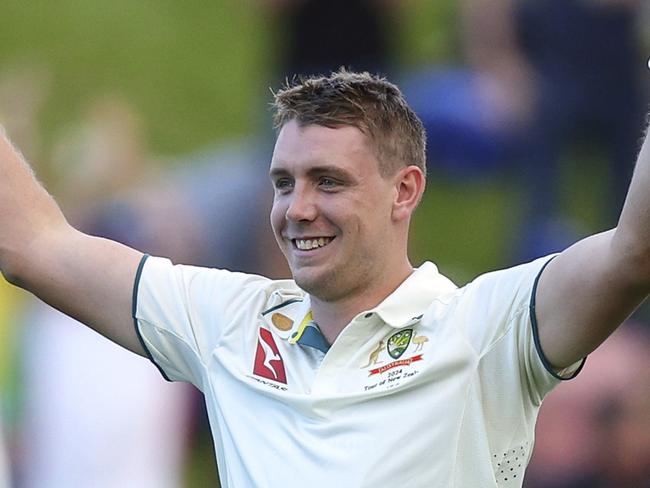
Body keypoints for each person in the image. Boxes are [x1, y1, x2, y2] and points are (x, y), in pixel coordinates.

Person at [0, 69, 649, 487]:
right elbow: (34, 244)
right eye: (284, 183)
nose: (297, 208)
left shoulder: (484, 327)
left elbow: (633, 254)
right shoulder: (228, 320)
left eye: (328, 182)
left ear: (405, 191)